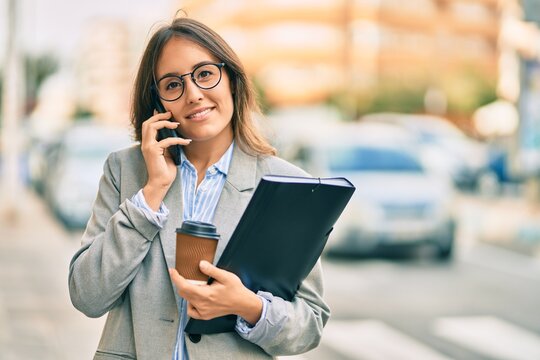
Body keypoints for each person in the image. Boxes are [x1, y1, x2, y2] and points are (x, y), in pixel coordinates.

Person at [68, 15, 329, 360]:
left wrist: (249, 307)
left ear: (232, 80)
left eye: (205, 74)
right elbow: (87, 295)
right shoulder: (125, 170)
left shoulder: (288, 185)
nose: (193, 94)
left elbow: (309, 324)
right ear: (158, 101)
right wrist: (150, 195)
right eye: (173, 84)